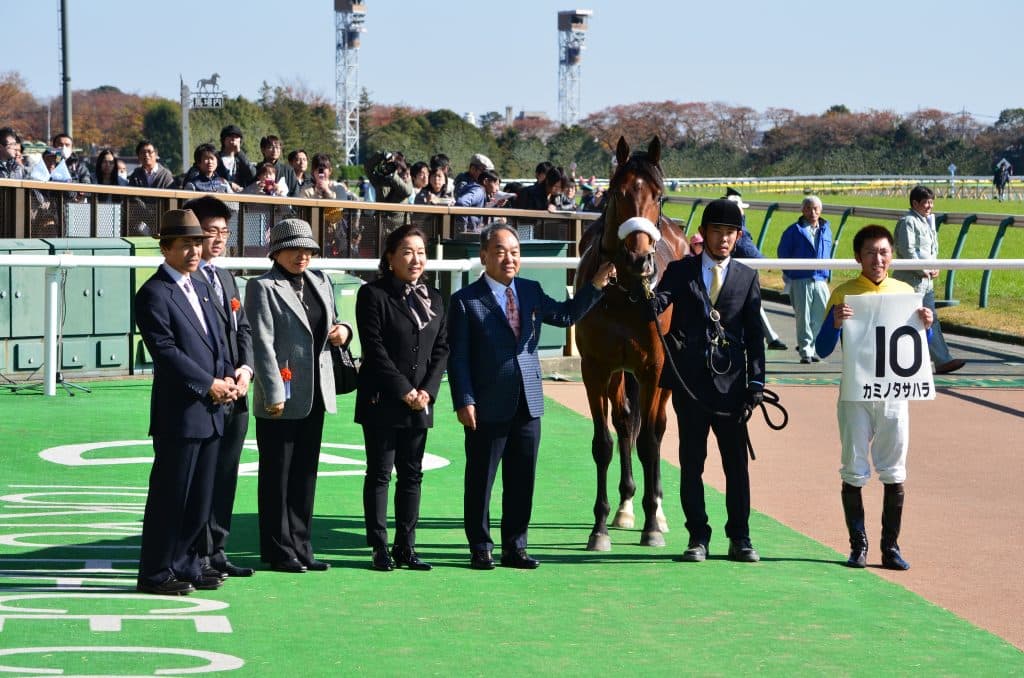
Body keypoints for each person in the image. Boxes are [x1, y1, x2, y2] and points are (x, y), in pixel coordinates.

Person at [448, 224, 616, 570]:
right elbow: (458, 356)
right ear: (484, 256)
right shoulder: (465, 301)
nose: (509, 258)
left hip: (529, 401)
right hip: (485, 404)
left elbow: (566, 314)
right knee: (481, 479)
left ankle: (515, 546)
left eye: (515, 252)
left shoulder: (531, 290)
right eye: (500, 251)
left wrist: (596, 286)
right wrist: (464, 398)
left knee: (522, 478)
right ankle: (480, 546)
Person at [814, 224, 933, 571]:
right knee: (853, 467)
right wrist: (834, 324)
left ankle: (890, 546)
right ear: (858, 257)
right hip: (855, 394)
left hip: (894, 394)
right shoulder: (844, 293)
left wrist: (927, 325)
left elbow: (917, 353)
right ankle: (858, 545)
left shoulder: (905, 292)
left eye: (883, 252)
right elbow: (822, 350)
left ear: (892, 256)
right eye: (870, 252)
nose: (877, 259)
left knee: (894, 470)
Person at [654, 198, 765, 564]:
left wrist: (756, 384)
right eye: (718, 231)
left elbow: (754, 335)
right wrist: (637, 288)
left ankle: (741, 537)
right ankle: (697, 536)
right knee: (691, 462)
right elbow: (656, 305)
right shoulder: (680, 271)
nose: (724, 239)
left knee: (736, 466)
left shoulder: (748, 277)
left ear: (738, 236)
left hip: (732, 387)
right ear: (705, 233)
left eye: (731, 233)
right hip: (691, 386)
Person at [134, 209, 239, 595]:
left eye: (197, 242)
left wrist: (227, 375)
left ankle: (188, 563)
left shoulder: (201, 287)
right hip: (180, 413)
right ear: (165, 248)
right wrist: (208, 383)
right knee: (170, 495)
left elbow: (218, 340)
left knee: (200, 495)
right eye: (186, 244)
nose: (195, 250)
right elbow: (165, 351)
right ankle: (156, 572)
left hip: (212, 408)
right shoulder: (153, 293)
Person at [245, 218, 353, 573]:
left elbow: (334, 322)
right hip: (280, 394)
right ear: (276, 251)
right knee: (277, 474)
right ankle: (278, 549)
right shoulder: (261, 287)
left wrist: (344, 331)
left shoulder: (321, 280)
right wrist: (272, 391)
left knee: (305, 473)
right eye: (294, 249)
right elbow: (261, 343)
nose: (302, 255)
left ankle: (302, 545)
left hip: (317, 392)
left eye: (307, 249)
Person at [355, 225, 449, 572]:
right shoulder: (373, 295)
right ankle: (379, 546)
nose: (416, 259)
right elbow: (374, 349)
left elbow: (441, 348)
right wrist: (404, 389)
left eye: (421, 252)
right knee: (380, 473)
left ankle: (406, 546)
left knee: (412, 474)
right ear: (390, 257)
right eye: (407, 251)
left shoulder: (435, 298)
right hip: (383, 398)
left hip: (420, 400)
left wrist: (428, 390)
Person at [184, 195, 255, 578]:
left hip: (236, 394)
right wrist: (217, 381)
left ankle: (217, 550)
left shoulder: (226, 277)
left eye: (224, 233)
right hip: (206, 396)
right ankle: (195, 555)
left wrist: (245, 370)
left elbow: (242, 328)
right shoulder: (187, 279)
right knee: (199, 479)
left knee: (226, 475)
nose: (218, 240)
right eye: (211, 232)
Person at [892, 185, 964, 375]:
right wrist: (924, 269)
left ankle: (942, 360)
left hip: (926, 282)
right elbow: (908, 251)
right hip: (910, 281)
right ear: (915, 203)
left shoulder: (926, 222)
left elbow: (931, 251)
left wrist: (934, 267)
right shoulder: (908, 222)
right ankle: (899, 360)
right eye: (926, 202)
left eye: (932, 202)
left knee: (931, 319)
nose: (930, 206)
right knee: (904, 320)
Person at [724, 188, 788, 351]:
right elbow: (750, 252)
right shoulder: (741, 232)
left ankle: (771, 337)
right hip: (739, 277)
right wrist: (767, 264)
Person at [778, 195, 832, 363]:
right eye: (808, 208)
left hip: (821, 279)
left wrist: (828, 273)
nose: (812, 212)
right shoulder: (793, 230)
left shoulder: (827, 229)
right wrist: (791, 273)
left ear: (820, 210)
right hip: (800, 279)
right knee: (803, 316)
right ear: (802, 210)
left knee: (820, 316)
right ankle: (805, 350)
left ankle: (813, 347)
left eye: (815, 208)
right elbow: (783, 253)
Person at [216, 124, 255, 192]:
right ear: (223, 140)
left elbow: (252, 174)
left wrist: (239, 152)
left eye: (237, 137)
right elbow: (211, 177)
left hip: (240, 197)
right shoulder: (215, 158)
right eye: (230, 136)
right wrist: (229, 184)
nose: (233, 139)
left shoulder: (241, 159)